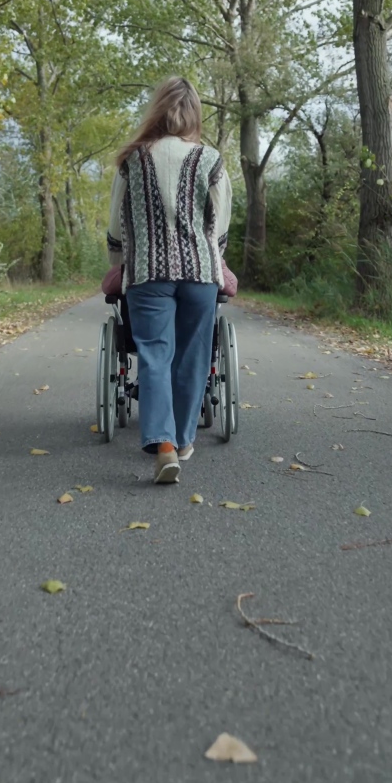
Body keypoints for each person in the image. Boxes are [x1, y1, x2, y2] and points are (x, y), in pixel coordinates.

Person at [107, 76, 232, 484]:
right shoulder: (211, 161)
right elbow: (219, 224)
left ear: (156, 110)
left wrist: (118, 263)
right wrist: (218, 262)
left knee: (155, 356)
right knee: (194, 356)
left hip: (147, 275)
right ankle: (182, 439)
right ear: (195, 112)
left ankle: (162, 446)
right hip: (199, 274)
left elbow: (116, 225)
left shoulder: (131, 160)